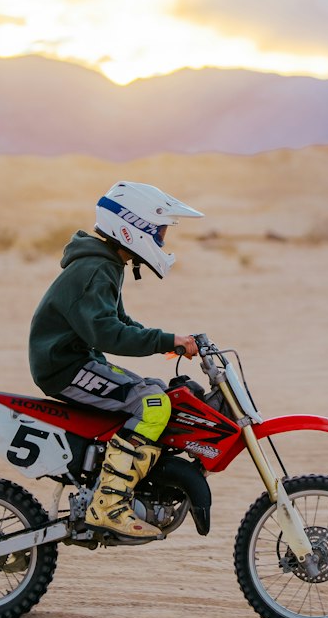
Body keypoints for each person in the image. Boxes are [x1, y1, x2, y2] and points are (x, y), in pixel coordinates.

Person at [28, 181, 202, 542]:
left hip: (76, 361)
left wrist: (169, 341)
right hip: (65, 367)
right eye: (160, 232)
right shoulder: (96, 268)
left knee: (155, 392)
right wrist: (164, 340)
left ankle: (119, 483)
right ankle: (109, 503)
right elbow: (106, 334)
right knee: (153, 405)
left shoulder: (105, 264)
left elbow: (120, 324)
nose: (161, 242)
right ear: (134, 227)